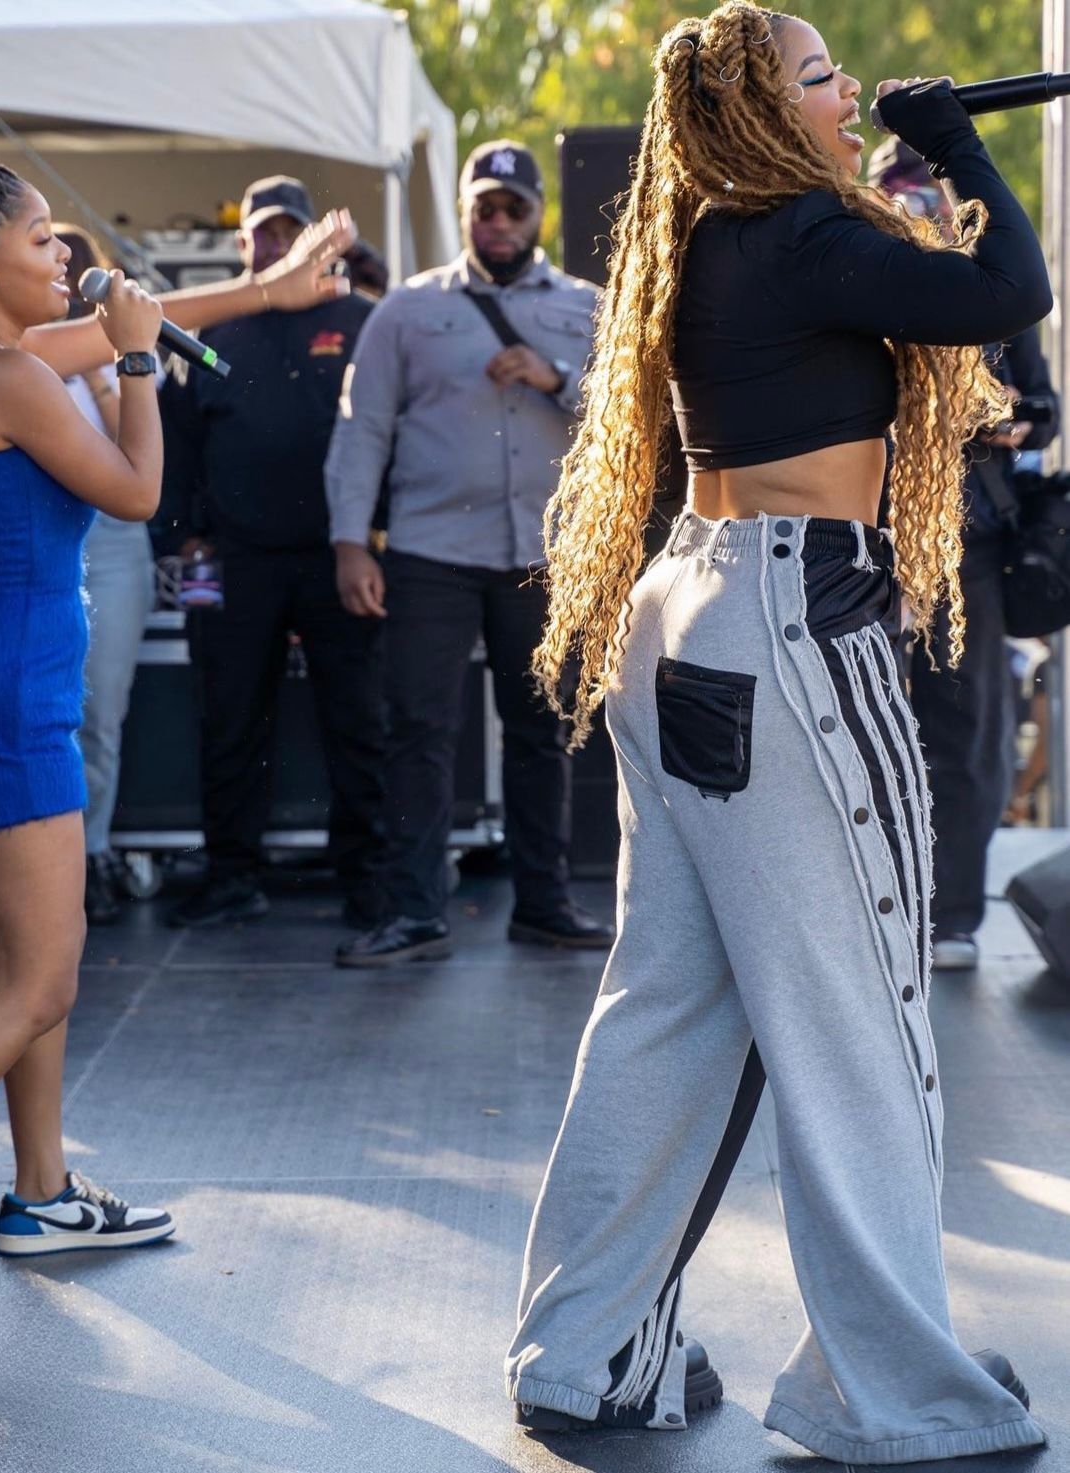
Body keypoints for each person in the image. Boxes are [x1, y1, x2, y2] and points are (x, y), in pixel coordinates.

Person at [504, 5, 1050, 1464]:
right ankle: (886, 1388)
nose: (847, 87)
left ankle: (585, 1352)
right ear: (762, 108)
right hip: (794, 628)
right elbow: (1006, 290)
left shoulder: (716, 235)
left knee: (666, 1009)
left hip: (689, 609)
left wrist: (903, 161)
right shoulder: (803, 233)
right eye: (821, 76)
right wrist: (957, 148)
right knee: (860, 1022)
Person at [0, 121, 356, 1313]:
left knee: (27, 966)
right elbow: (139, 493)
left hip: (0, 692)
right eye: (42, 237)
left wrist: (266, 289)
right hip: (5, 704)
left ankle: (43, 1194)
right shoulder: (7, 379)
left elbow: (103, 325)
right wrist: (143, 369)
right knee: (40, 984)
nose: (66, 252)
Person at [325, 140, 614, 966]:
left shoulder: (589, 308)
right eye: (482, 207)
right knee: (417, 728)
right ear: (463, 214)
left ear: (538, 216)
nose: (496, 222)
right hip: (429, 551)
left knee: (542, 730)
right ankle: (415, 911)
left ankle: (545, 904)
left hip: (542, 551)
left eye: (511, 208)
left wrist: (556, 376)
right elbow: (362, 430)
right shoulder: (406, 311)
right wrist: (351, 543)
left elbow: (635, 420)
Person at [163, 176, 386, 931]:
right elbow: (176, 436)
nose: (276, 244)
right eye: (263, 231)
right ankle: (231, 871)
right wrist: (184, 531)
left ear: (313, 239)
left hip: (341, 553)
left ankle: (366, 877)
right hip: (237, 558)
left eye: (290, 230)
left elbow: (392, 433)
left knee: (356, 717)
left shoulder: (363, 320)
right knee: (229, 718)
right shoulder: (215, 330)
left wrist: (378, 532)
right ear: (242, 243)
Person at [867, 136, 1060, 973]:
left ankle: (949, 916)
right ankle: (870, 908)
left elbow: (1043, 409)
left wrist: (1004, 416)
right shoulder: (856, 276)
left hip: (968, 536)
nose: (918, 210)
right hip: (861, 534)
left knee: (968, 729)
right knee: (859, 724)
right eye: (899, 194)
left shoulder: (991, 286)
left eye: (927, 195)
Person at [55, 224, 160, 926]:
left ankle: (89, 853)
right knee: (48, 705)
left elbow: (138, 448)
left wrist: (106, 360)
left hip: (113, 538)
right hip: (44, 536)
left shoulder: (108, 354)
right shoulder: (18, 354)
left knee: (101, 708)